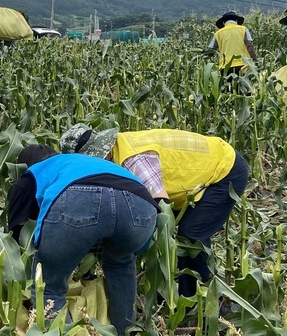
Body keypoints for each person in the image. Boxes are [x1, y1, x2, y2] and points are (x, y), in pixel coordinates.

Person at [6, 144, 158, 336]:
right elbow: (130, 238)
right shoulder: (83, 162)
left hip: (80, 199)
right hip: (141, 202)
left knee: (50, 288)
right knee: (121, 265)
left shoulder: (33, 173)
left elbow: (15, 233)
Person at [60, 125, 248, 298]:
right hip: (195, 176)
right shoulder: (117, 151)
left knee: (191, 236)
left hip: (224, 170)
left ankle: (199, 299)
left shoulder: (134, 159)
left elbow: (162, 206)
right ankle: (168, 291)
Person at [208, 11, 258, 81]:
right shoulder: (243, 29)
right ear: (236, 20)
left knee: (229, 87)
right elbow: (249, 46)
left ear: (223, 22)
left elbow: (211, 50)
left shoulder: (218, 33)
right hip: (244, 65)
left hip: (226, 68)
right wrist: (255, 61)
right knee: (245, 86)